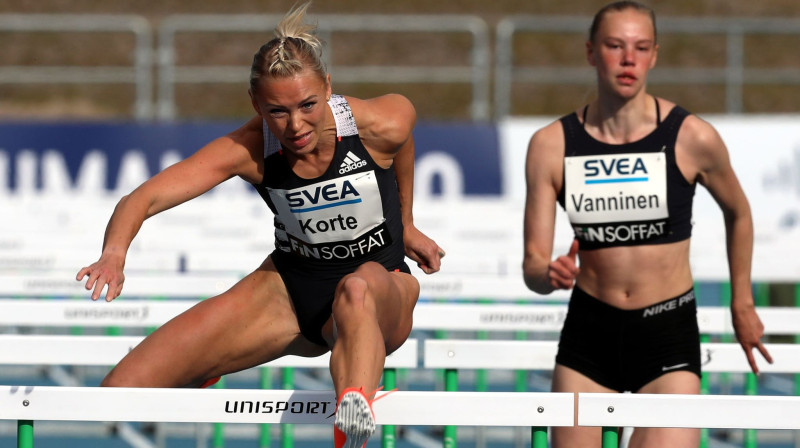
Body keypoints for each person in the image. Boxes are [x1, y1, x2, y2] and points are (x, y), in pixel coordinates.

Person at [76, 3, 444, 448]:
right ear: (256, 104)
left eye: (308, 105)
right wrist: (114, 255)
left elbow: (400, 145)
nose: (295, 125)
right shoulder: (249, 148)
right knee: (116, 394)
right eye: (278, 111)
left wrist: (405, 224)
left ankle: (353, 414)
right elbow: (144, 197)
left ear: (328, 87)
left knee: (356, 290)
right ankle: (205, 367)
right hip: (287, 294)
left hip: (382, 287)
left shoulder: (382, 121)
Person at [521, 2, 772, 447]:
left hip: (668, 335)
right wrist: (548, 273)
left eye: (639, 48)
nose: (628, 59)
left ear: (655, 55)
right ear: (591, 52)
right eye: (615, 46)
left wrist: (742, 301)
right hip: (588, 338)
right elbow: (533, 266)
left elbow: (740, 212)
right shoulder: (550, 145)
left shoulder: (693, 137)